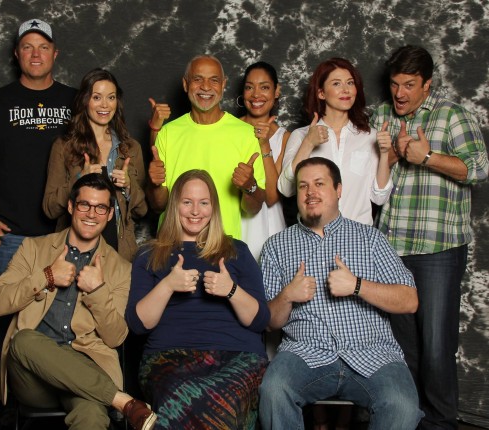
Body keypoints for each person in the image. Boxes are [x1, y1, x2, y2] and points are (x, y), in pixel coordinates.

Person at [0, 18, 76, 429]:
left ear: (55, 53)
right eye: (27, 46)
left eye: (42, 46)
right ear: (16, 54)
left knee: (64, 332)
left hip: (63, 238)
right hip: (10, 239)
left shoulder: (75, 101)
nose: (35, 53)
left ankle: (67, 418)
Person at [370, 45, 489, 429]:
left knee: (436, 347)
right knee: (401, 348)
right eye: (395, 84)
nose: (399, 93)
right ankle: (408, 420)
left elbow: (479, 168)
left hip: (438, 248)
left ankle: (440, 424)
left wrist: (427, 157)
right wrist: (391, 153)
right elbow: (367, 172)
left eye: (409, 85)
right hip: (391, 248)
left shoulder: (452, 115)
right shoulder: (382, 116)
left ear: (427, 85)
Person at [259, 157, 423, 430]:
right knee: (274, 391)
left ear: (338, 190)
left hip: (372, 353)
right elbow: (270, 323)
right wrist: (287, 295)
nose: (310, 192)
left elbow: (410, 300)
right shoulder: (276, 246)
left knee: (402, 406)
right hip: (306, 353)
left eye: (319, 184)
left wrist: (357, 286)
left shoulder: (371, 239)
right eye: (303, 186)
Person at [0, 173, 156, 430]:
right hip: (33, 376)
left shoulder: (121, 269)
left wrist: (97, 291)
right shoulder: (34, 248)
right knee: (23, 340)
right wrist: (46, 276)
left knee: (92, 414)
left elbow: (116, 338)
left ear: (110, 214)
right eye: (84, 204)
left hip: (85, 370)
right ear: (70, 206)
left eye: (100, 207)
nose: (91, 214)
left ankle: (113, 399)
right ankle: (123, 402)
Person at [126, 169, 270, 429]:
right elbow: (138, 325)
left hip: (236, 356)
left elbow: (260, 321)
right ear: (175, 205)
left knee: (225, 400)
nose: (195, 211)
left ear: (213, 208)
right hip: (168, 358)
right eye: (187, 202)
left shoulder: (236, 250)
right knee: (180, 395)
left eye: (204, 203)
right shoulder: (149, 254)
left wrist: (231, 290)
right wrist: (168, 285)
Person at [147, 54, 266, 240]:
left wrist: (249, 186)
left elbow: (253, 209)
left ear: (223, 84)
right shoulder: (167, 133)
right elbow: (158, 206)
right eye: (198, 79)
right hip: (173, 244)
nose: (206, 87)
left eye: (214, 80)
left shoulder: (246, 134)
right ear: (185, 84)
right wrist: (154, 185)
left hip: (222, 245)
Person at [43, 68, 147, 261]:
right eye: (97, 97)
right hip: (73, 254)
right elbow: (50, 209)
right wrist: (78, 179)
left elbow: (142, 210)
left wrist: (128, 186)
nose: (105, 105)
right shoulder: (64, 147)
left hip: (120, 254)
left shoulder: (131, 148)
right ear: (85, 101)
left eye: (111, 97)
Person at [278, 57, 393, 225]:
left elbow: (379, 197)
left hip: (357, 235)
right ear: (321, 93)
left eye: (350, 83)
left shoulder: (370, 137)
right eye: (336, 84)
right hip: (314, 236)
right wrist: (308, 143)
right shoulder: (301, 135)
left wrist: (384, 154)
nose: (346, 90)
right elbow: (286, 189)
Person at [238, 61, 290, 260]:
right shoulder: (230, 129)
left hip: (270, 226)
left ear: (277, 91)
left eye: (264, 87)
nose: (256, 95)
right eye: (249, 87)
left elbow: (271, 197)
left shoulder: (284, 137)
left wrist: (265, 145)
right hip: (236, 222)